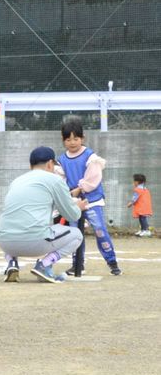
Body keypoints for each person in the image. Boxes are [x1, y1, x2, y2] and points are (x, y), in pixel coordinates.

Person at [0, 147, 88, 283]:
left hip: (4, 242)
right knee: (77, 235)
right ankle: (44, 265)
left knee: (12, 223)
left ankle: (12, 263)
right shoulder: (54, 180)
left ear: (30, 165)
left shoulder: (17, 181)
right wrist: (78, 207)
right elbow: (72, 216)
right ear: (50, 164)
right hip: (35, 242)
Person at [57, 116, 121, 275]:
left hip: (92, 200)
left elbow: (93, 178)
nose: (72, 142)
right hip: (74, 202)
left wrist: (79, 188)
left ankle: (112, 261)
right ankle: (77, 264)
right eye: (68, 139)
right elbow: (60, 178)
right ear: (63, 140)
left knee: (99, 230)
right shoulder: (62, 160)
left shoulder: (90, 157)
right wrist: (66, 192)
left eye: (76, 138)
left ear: (82, 138)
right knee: (75, 233)